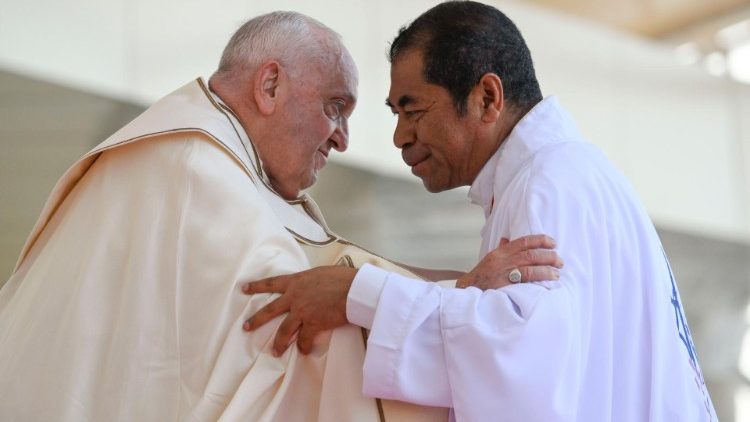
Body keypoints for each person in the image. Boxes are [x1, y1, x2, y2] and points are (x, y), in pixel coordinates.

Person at [0, 10, 559, 422]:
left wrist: (455, 290)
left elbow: (330, 281)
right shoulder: (192, 171)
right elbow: (297, 330)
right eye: (334, 107)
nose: (341, 138)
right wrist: (463, 306)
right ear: (269, 85)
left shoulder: (212, 164)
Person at [242, 2, 718, 421]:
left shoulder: (548, 183)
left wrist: (356, 294)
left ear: (487, 98)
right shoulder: (560, 172)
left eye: (414, 111)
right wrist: (464, 287)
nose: (400, 137)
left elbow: (522, 365)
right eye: (395, 114)